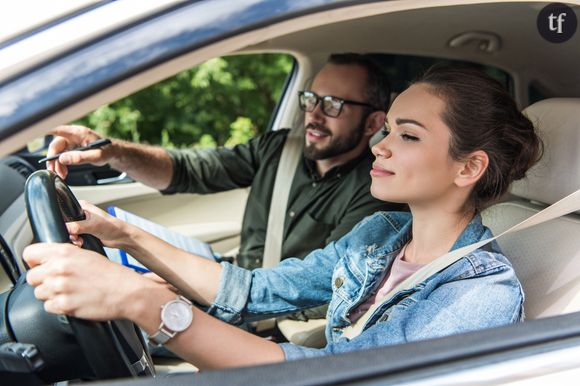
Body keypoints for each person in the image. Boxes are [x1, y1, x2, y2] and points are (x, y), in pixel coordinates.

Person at [24, 66, 543, 368]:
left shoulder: (479, 296)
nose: (380, 147)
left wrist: (143, 302)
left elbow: (330, 377)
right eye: (389, 131)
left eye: (407, 135)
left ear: (469, 167)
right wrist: (124, 236)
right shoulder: (380, 236)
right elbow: (252, 290)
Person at [46, 53, 403, 272]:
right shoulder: (278, 149)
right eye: (311, 99)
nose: (314, 115)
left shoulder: (376, 191)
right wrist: (113, 152)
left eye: (334, 105)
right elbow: (188, 170)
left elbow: (324, 287)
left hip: (277, 322)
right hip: (237, 282)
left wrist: (199, 288)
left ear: (373, 123)